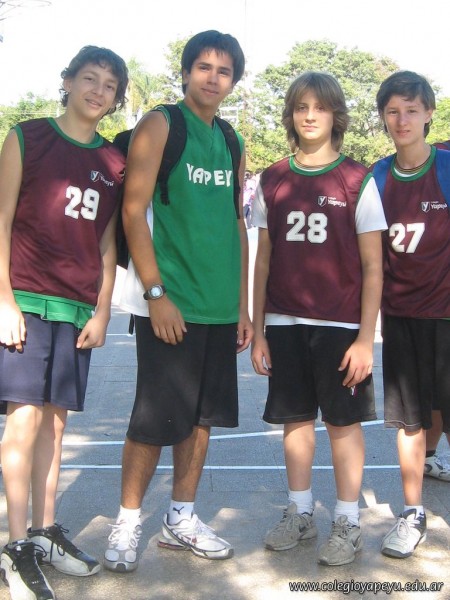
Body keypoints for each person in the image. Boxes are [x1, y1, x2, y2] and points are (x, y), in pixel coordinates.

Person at [103, 30, 252, 573]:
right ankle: (127, 521)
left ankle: (180, 519)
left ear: (233, 81)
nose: (213, 78)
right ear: (186, 72)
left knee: (201, 420)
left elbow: (237, 223)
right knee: (154, 420)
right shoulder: (162, 123)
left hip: (219, 305)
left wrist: (243, 307)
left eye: (224, 71)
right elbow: (132, 211)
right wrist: (156, 293)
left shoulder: (232, 139)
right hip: (170, 302)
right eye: (204, 67)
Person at [0, 45, 128, 600]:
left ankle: (45, 530)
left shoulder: (113, 163)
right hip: (27, 299)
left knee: (55, 425)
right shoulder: (28, 137)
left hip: (76, 307)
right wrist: (4, 300)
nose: (97, 91)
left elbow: (106, 243)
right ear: (68, 80)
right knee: (24, 420)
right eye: (89, 78)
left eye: (109, 85)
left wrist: (102, 308)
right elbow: (1, 219)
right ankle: (15, 545)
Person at [251, 72, 386, 567]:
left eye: (321, 107)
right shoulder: (273, 178)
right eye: (301, 107)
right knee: (296, 419)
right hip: (284, 322)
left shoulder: (357, 179)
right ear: (291, 114)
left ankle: (348, 520)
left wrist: (365, 339)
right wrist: (259, 329)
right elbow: (263, 260)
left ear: (335, 115)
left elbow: (373, 266)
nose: (310, 115)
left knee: (343, 423)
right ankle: (300, 511)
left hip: (340, 325)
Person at [373, 70, 450, 558]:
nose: (402, 120)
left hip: (446, 316)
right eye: (393, 111)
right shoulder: (377, 177)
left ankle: (434, 462)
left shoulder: (446, 167)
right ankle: (412, 512)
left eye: (412, 110)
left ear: (428, 114)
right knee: (409, 420)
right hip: (400, 316)